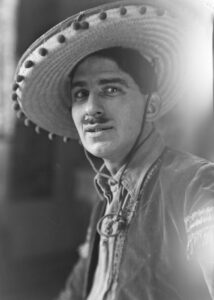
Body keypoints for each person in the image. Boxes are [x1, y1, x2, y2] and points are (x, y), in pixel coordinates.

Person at [12, 0, 214, 299]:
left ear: (152, 106)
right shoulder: (106, 200)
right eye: (81, 94)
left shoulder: (196, 186)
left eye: (111, 89)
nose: (91, 108)